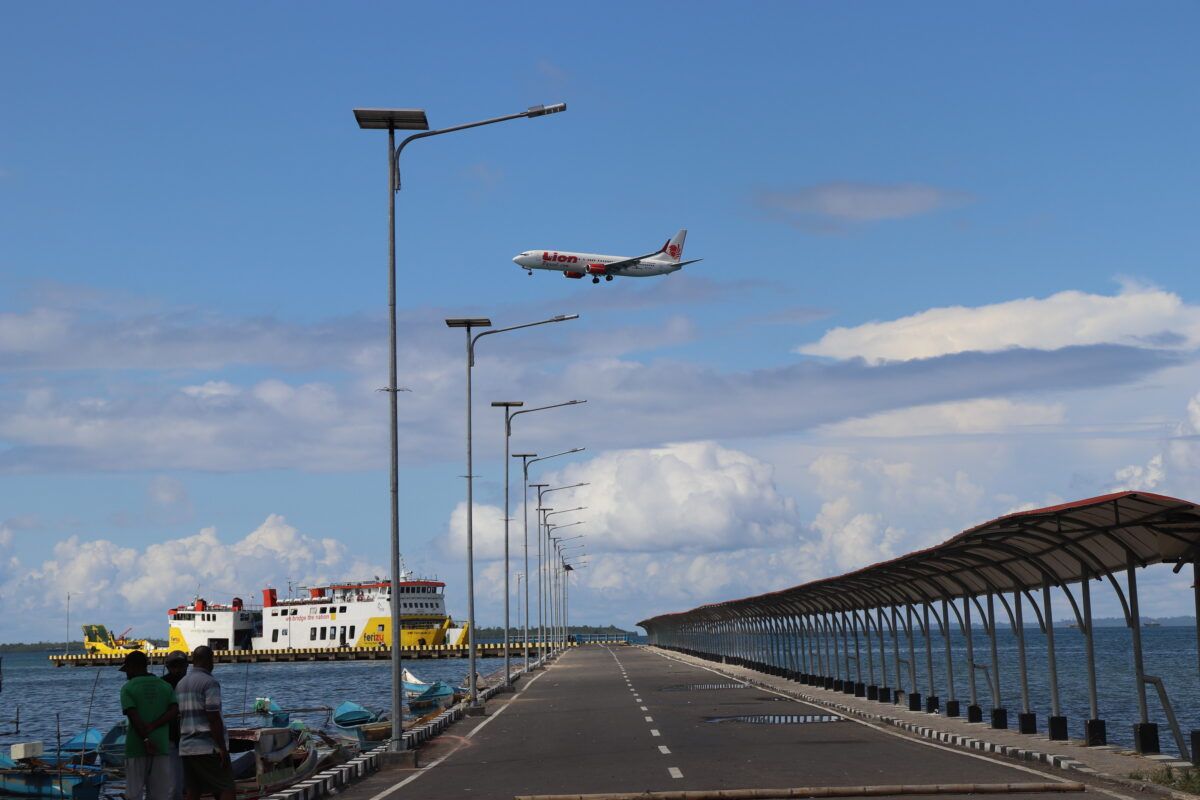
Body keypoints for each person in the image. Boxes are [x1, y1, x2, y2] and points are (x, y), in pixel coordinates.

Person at [176, 646, 235, 800]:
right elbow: (213, 717)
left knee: (193, 791)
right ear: (209, 660)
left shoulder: (181, 684)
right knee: (226, 787)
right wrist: (222, 748)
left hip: (186, 748)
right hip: (208, 747)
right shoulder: (210, 683)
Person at [119, 650, 178, 800]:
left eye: (127, 670)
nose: (126, 674)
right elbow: (174, 710)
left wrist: (146, 739)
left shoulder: (128, 688)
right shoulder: (165, 686)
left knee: (133, 793)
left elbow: (133, 716)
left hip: (136, 747)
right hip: (161, 746)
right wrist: (154, 725)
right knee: (160, 794)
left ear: (133, 667)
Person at [162, 651, 189, 800]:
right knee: (173, 785)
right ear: (168, 667)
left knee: (185, 782)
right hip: (170, 738)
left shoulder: (191, 683)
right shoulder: (162, 685)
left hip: (188, 737)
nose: (178, 670)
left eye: (181, 666)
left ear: (187, 666)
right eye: (174, 666)